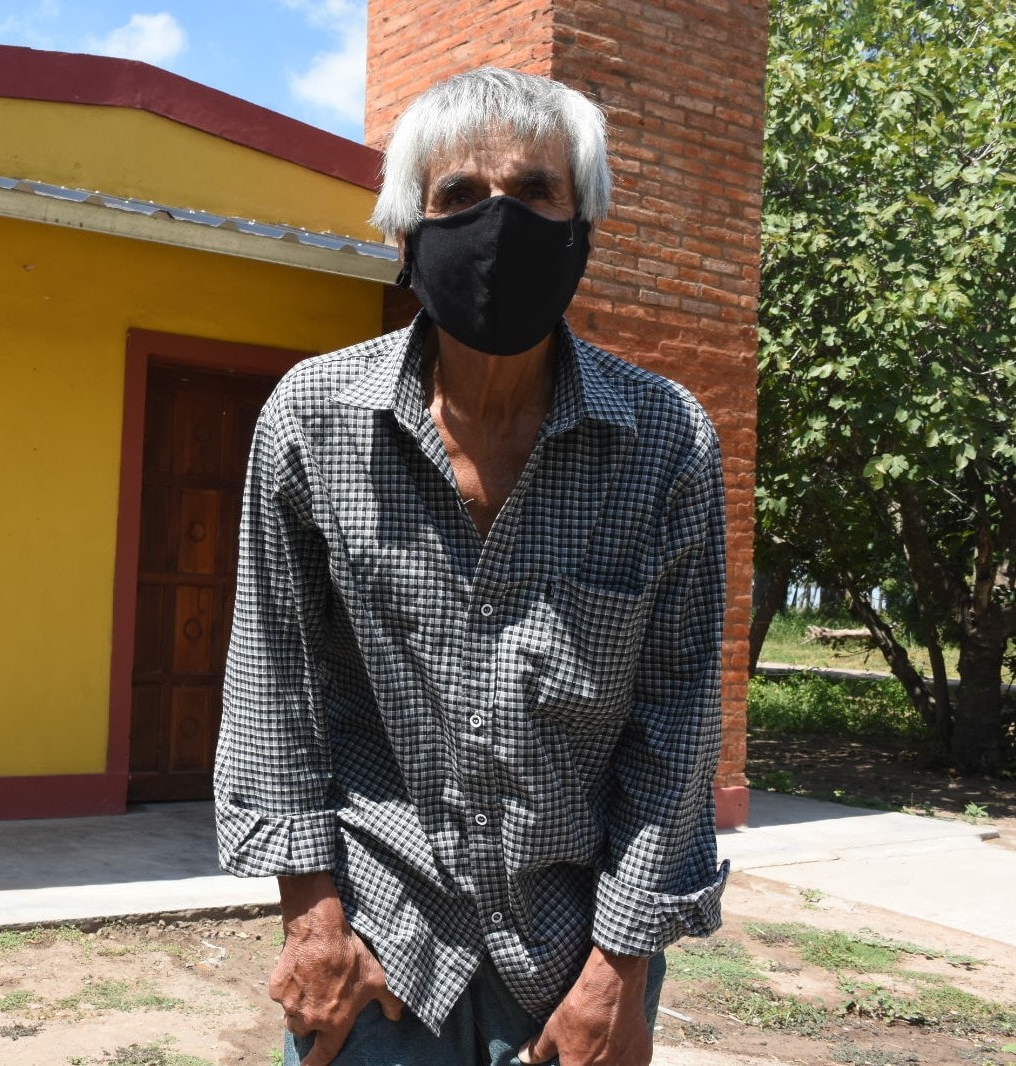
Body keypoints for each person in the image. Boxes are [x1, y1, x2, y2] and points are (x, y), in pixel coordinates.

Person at [213, 67, 729, 1066]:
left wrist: (616, 973)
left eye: (534, 190)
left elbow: (674, 725)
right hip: (374, 953)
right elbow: (276, 688)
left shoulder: (665, 442)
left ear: (584, 226)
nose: (498, 222)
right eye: (457, 195)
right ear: (408, 234)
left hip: (577, 961)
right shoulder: (311, 422)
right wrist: (312, 925)